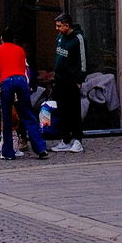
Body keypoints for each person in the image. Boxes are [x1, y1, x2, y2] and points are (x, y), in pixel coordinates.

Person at [0, 26, 46, 160]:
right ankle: (40, 147)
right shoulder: (20, 50)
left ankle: (8, 151)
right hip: (21, 80)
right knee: (27, 114)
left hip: (6, 81)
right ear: (14, 39)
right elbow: (24, 69)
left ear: (1, 39)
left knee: (7, 117)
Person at [51, 14, 87, 153]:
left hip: (72, 80)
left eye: (59, 26)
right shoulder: (60, 37)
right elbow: (58, 57)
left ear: (67, 25)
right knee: (63, 111)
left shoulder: (78, 38)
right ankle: (65, 140)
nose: (57, 28)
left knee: (74, 111)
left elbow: (83, 60)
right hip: (60, 79)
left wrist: (79, 79)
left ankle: (78, 140)